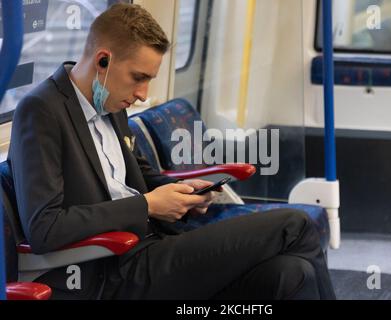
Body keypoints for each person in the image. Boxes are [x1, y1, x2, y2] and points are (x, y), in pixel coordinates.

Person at [8, 3, 336, 300]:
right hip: (109, 270)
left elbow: (137, 176)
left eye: (149, 80)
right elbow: (45, 228)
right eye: (138, 78)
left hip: (152, 247)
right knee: (297, 224)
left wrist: (180, 192)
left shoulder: (111, 101)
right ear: (103, 60)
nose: (142, 93)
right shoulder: (41, 111)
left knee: (291, 274)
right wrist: (149, 205)